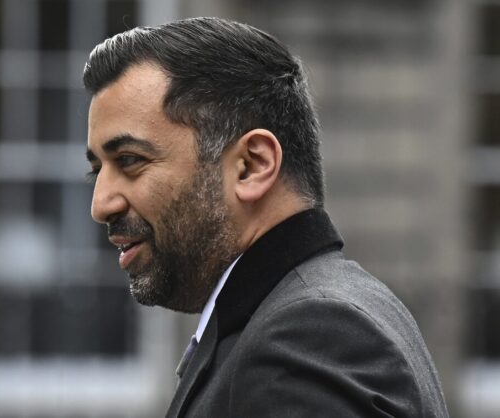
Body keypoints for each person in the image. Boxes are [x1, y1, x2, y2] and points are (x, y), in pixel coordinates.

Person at [83, 17, 449, 418]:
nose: (101, 204)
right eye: (96, 170)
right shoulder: (319, 315)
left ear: (251, 166)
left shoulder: (305, 337)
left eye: (129, 160)